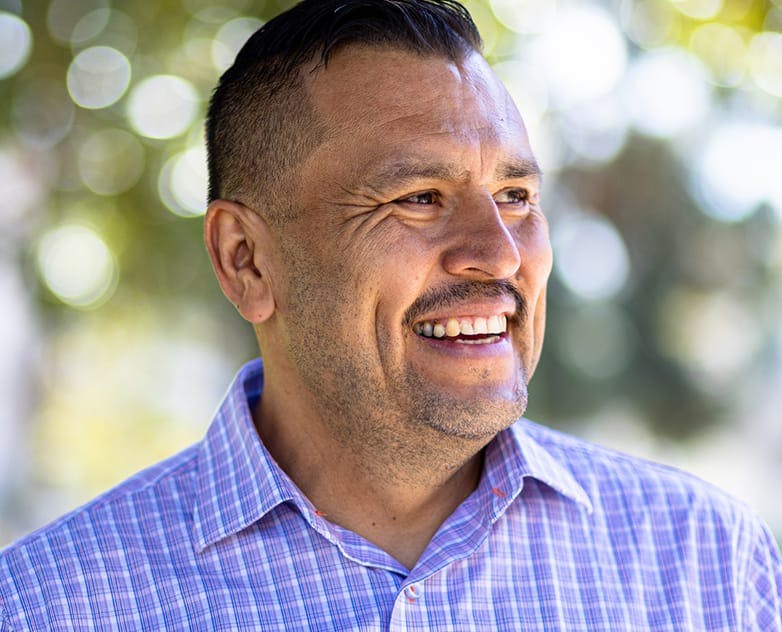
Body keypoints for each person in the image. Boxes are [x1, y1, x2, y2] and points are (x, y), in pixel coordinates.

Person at [1, 0, 781, 628]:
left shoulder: (707, 566)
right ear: (246, 260)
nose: (499, 254)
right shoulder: (47, 608)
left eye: (515, 196)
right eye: (419, 198)